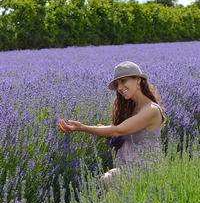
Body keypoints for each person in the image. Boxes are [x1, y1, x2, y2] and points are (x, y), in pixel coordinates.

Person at [58, 61, 166, 189]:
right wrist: (107, 133)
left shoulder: (151, 110)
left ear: (137, 80)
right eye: (117, 84)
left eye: (123, 81)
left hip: (147, 172)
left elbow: (119, 130)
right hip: (128, 169)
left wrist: (82, 128)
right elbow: (124, 134)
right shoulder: (132, 108)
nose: (120, 88)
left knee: (108, 180)